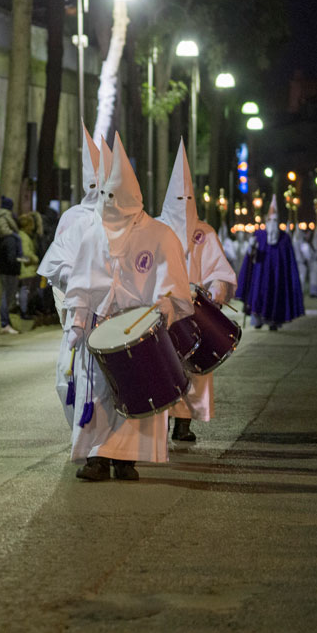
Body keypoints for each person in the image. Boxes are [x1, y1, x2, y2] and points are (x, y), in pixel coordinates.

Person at [64, 134, 192, 481]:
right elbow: (80, 284)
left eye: (112, 196)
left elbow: (172, 283)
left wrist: (163, 305)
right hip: (98, 326)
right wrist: (76, 324)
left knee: (138, 391)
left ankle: (126, 458)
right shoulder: (94, 235)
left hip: (139, 328)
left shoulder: (160, 235)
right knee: (99, 393)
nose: (106, 203)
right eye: (102, 195)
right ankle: (97, 456)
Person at [157, 142, 237, 444]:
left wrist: (216, 289)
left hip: (196, 310)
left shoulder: (204, 233)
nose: (183, 202)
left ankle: (185, 422)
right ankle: (164, 418)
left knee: (196, 367)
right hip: (163, 309)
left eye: (187, 197)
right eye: (178, 197)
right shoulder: (156, 229)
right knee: (165, 365)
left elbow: (220, 269)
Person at [39, 126, 104, 425]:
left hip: (112, 314)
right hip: (81, 313)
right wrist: (77, 282)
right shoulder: (73, 218)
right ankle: (81, 432)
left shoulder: (127, 224)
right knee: (68, 378)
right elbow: (56, 265)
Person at [236, 196, 304, 329]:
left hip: (277, 276)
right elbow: (251, 256)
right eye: (270, 220)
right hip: (260, 275)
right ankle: (258, 320)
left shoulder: (284, 238)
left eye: (275, 220)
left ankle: (274, 321)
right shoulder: (260, 235)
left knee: (275, 298)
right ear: (267, 220)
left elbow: (288, 260)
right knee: (259, 296)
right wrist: (251, 247)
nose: (273, 223)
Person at [0, 196, 21, 335]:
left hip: (5, 268)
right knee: (7, 296)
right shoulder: (10, 238)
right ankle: (5, 323)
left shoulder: (2, 237)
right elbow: (11, 257)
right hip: (9, 270)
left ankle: (6, 322)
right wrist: (17, 261)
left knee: (7, 295)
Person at [17, 213, 40, 320]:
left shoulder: (21, 235)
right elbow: (26, 255)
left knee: (25, 291)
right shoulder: (24, 238)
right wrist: (35, 259)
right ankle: (24, 312)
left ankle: (25, 311)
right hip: (27, 270)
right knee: (26, 291)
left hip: (25, 270)